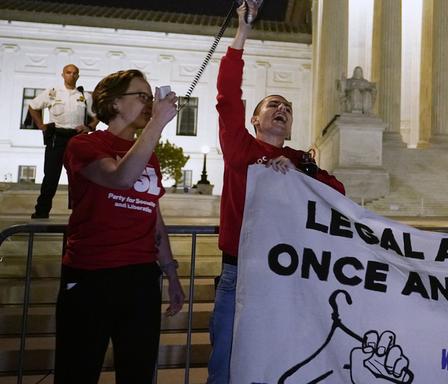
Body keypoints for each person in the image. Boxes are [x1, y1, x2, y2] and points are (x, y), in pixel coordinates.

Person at [207, 2, 346, 383]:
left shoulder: (301, 159)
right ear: (255, 119)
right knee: (227, 361)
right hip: (240, 274)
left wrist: (302, 173)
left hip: (287, 273)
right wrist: (241, 32)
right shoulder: (241, 148)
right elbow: (227, 95)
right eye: (273, 105)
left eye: (287, 107)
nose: (281, 109)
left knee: (279, 360)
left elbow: (338, 193)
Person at [54, 69, 184, 382]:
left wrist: (170, 271)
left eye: (150, 98)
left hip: (139, 276)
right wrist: (156, 125)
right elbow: (120, 177)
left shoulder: (146, 154)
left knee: (137, 372)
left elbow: (152, 214)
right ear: (113, 102)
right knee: (78, 371)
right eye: (142, 96)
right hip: (91, 275)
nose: (149, 104)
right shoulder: (83, 145)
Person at [27, 64, 99, 219]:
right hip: (57, 137)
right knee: (51, 176)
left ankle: (79, 212)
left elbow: (96, 116)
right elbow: (33, 106)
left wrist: (90, 127)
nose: (71, 75)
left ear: (78, 76)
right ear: (63, 74)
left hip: (77, 137)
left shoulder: (84, 95)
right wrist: (41, 125)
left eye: (74, 73)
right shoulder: (53, 93)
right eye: (68, 72)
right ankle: (42, 211)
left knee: (78, 176)